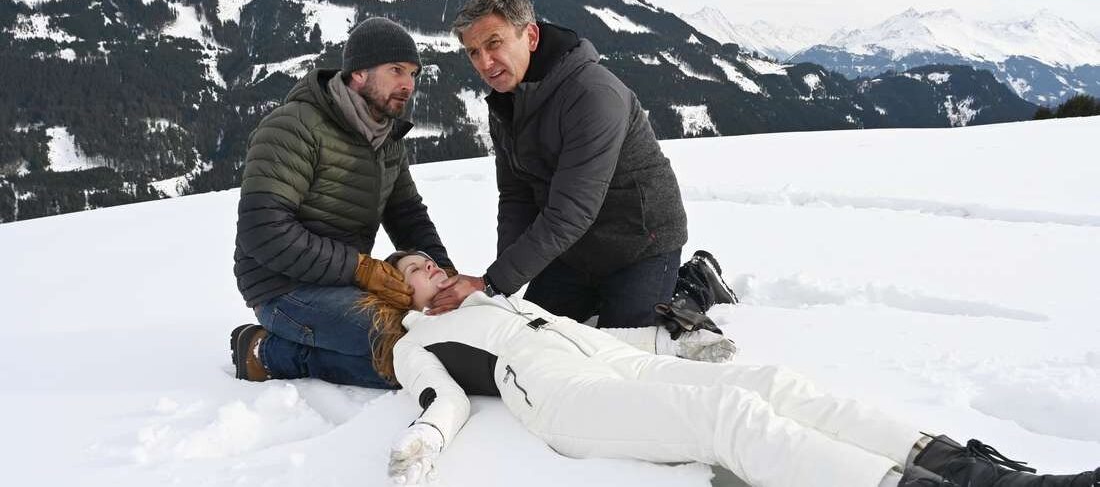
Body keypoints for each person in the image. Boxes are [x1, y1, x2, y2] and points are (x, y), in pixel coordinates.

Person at [379, 250, 1097, 487]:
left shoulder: (498, 298)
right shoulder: (420, 342)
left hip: (625, 370)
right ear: (400, 294)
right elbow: (445, 400)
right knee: (727, 419)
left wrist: (674, 341)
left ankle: (981, 475)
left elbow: (599, 337)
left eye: (434, 261)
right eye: (416, 272)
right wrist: (425, 444)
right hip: (569, 405)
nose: (433, 273)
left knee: (773, 385)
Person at [432, 0, 690, 331]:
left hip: (640, 244)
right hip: (574, 250)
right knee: (531, 335)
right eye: (473, 53)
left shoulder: (592, 94)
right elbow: (516, 195)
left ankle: (694, 285)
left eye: (494, 43)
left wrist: (492, 283)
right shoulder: (505, 102)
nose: (484, 63)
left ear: (532, 36)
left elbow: (571, 211)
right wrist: (501, 284)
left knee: (617, 346)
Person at [228, 17, 455, 388]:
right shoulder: (292, 127)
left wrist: (448, 277)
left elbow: (408, 216)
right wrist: (361, 269)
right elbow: (263, 232)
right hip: (282, 288)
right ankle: (264, 353)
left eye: (413, 73)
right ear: (359, 74)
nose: (408, 85)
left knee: (442, 325)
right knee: (410, 348)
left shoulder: (386, 138)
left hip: (340, 280)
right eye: (396, 70)